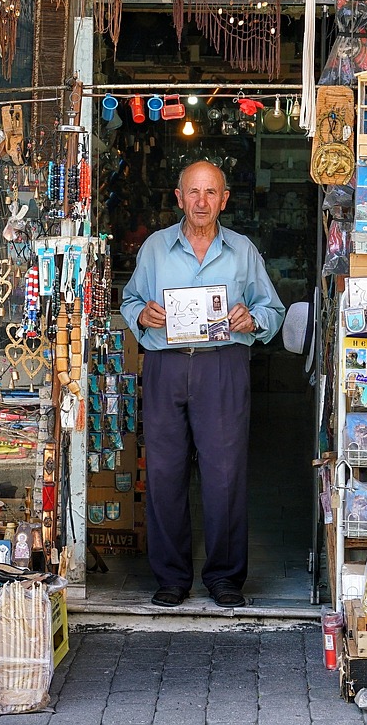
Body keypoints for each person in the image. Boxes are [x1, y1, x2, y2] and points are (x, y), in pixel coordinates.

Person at [120, 161, 285, 608]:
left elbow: (273, 310)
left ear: (224, 199)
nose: (201, 201)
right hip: (165, 367)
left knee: (225, 474)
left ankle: (225, 578)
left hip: (222, 366)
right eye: (193, 192)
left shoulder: (242, 251)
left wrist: (253, 319)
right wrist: (141, 314)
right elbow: (130, 298)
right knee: (165, 472)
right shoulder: (154, 249)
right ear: (178, 197)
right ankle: (171, 578)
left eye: (211, 192)